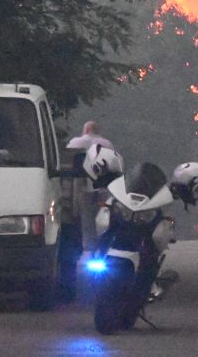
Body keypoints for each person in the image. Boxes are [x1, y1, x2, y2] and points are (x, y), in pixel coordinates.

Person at [56, 121, 115, 302]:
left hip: (77, 190)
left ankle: (85, 246)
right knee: (97, 219)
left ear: (85, 130)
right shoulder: (106, 144)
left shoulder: (75, 143)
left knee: (81, 219)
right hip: (101, 189)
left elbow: (65, 166)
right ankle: (97, 248)